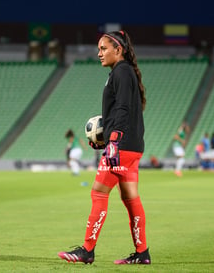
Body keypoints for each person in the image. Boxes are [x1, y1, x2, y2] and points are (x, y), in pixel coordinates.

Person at [58, 30, 150, 265]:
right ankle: (142, 253)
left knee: (98, 192)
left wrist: (114, 140)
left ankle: (87, 251)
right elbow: (125, 109)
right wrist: (105, 137)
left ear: (118, 50)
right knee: (131, 199)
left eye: (103, 48)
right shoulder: (123, 73)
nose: (99, 53)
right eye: (98, 49)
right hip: (132, 146)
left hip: (121, 147)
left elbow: (122, 109)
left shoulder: (121, 72)